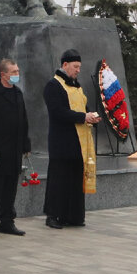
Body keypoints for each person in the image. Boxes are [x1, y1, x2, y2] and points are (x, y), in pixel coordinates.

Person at [43, 49, 100, 229]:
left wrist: (92, 116)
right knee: (59, 179)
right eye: (75, 67)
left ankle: (73, 216)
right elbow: (58, 112)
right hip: (62, 141)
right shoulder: (53, 85)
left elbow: (84, 107)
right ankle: (53, 215)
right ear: (65, 65)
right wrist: (84, 117)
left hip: (79, 142)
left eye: (79, 67)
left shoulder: (77, 86)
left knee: (75, 179)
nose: (78, 70)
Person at [0, 58, 31, 238]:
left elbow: (23, 120)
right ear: (3, 74)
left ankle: (7, 221)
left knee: (11, 187)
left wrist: (26, 144)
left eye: (18, 71)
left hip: (15, 148)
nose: (17, 75)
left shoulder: (17, 93)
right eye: (14, 72)